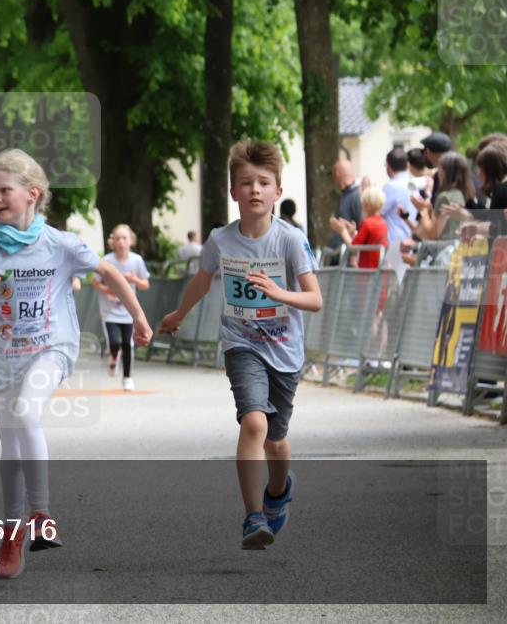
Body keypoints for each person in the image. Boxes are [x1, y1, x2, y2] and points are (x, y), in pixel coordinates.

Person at [0, 149, 152, 579]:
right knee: (11, 443)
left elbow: (110, 273)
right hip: (3, 358)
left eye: (5, 190)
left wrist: (139, 316)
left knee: (26, 412)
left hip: (52, 348)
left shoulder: (60, 244)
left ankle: (41, 515)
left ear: (32, 194)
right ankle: (12, 527)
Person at [159, 139, 322, 550]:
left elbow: (315, 299)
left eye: (263, 183)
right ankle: (253, 518)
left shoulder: (289, 241)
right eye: (245, 182)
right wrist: (180, 314)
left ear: (277, 192)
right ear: (233, 192)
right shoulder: (220, 240)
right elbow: (202, 279)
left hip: (284, 350)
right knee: (254, 422)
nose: (254, 190)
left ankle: (278, 491)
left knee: (277, 440)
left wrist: (278, 293)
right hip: (241, 343)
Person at [93, 223, 149, 390]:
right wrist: (107, 289)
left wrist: (134, 280)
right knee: (114, 342)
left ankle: (127, 378)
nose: (121, 242)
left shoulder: (136, 260)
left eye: (124, 238)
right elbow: (95, 281)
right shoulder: (106, 260)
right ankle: (113, 358)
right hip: (109, 310)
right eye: (117, 238)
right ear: (113, 241)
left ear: (131, 240)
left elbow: (146, 284)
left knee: (127, 343)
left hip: (128, 311)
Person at [411, 152, 477, 241]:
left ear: (443, 172)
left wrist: (423, 211)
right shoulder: (464, 194)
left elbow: (433, 234)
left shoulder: (444, 197)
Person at [380, 147, 416, 281]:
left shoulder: (391, 187)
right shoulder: (414, 185)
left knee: (394, 292)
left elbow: (377, 211)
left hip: (395, 245)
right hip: (412, 242)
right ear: (407, 165)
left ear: (388, 167)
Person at [329, 187, 388, 269]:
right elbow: (368, 240)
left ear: (368, 206)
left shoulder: (367, 223)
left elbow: (354, 247)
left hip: (367, 271)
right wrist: (353, 233)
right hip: (379, 270)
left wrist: (343, 231)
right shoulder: (383, 223)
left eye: (363, 203)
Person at [326, 159, 362, 263]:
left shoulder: (356, 196)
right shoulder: (347, 195)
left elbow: (361, 229)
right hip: (342, 259)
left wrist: (343, 229)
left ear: (337, 174)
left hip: (349, 263)